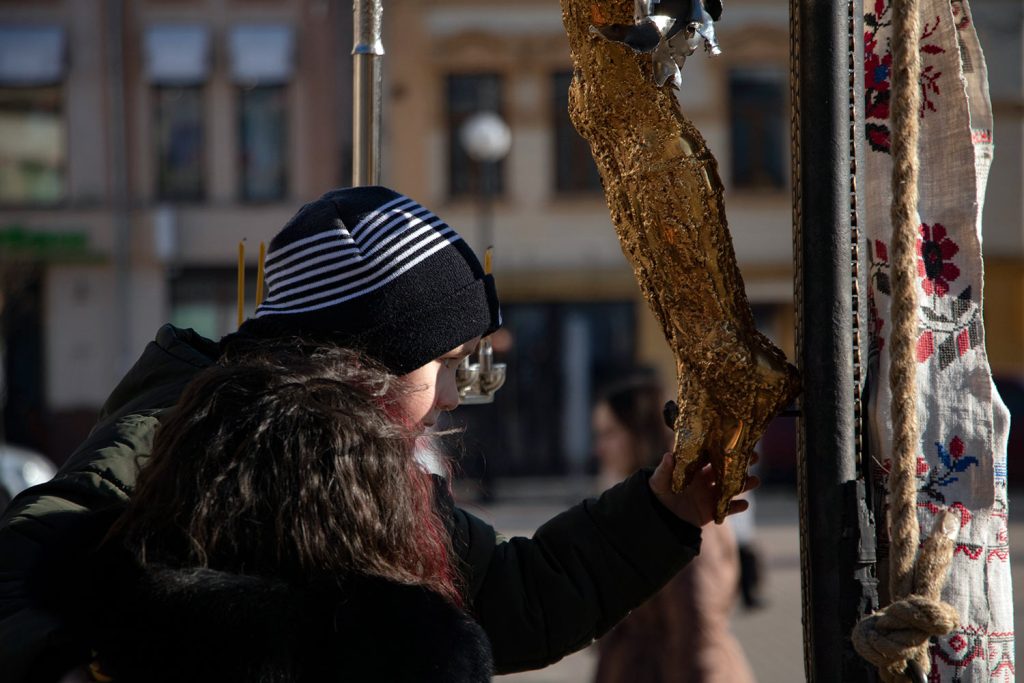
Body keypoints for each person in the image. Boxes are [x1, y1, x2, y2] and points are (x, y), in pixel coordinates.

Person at [0, 186, 754, 681]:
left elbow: (507, 593)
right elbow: (27, 579)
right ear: (365, 362)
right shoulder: (179, 425)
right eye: (445, 362)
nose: (454, 394)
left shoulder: (362, 461)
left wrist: (662, 513)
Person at [29, 346, 493, 682]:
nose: (450, 396)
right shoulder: (411, 651)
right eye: (445, 362)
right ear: (370, 506)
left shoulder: (99, 618)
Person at [592, 377, 755, 683]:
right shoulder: (647, 504)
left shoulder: (679, 509)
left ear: (642, 433)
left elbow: (698, 635)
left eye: (610, 433)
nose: (599, 448)